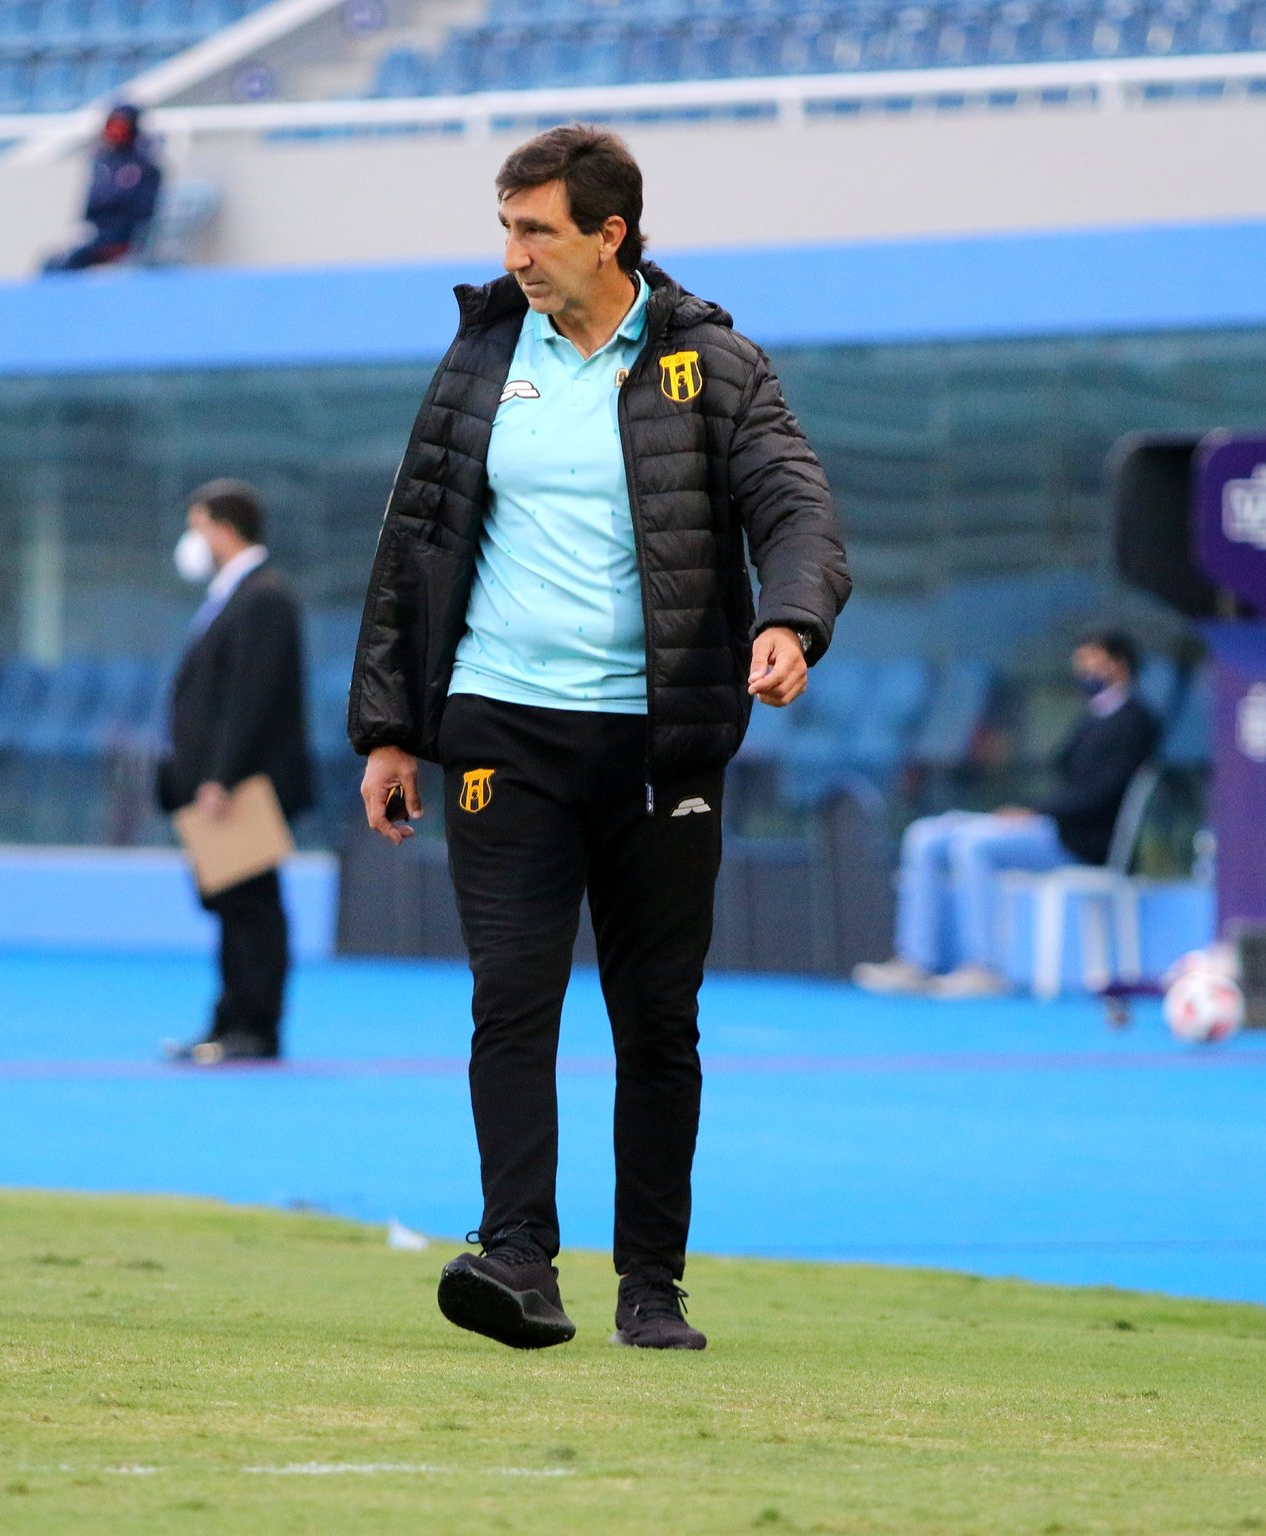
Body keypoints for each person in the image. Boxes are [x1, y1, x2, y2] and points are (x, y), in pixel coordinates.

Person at [349, 125, 851, 1351]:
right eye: (505, 228)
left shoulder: (711, 364)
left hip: (654, 741)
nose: (514, 253)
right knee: (510, 996)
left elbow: (794, 506)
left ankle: (651, 1283)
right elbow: (411, 548)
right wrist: (389, 730)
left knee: (654, 1017)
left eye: (538, 230)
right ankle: (516, 1255)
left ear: (608, 233)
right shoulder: (476, 361)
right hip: (498, 728)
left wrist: (790, 618)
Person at [854, 631, 1162, 999]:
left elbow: (1101, 794)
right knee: (926, 836)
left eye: (1093, 663)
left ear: (1119, 664)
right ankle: (915, 961)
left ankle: (984, 967)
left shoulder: (1137, 720)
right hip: (1048, 826)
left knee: (972, 845)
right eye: (1080, 664)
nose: (1084, 672)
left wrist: (1034, 813)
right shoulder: (1092, 716)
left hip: (1079, 840)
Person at [157, 480, 314, 1064]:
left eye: (197, 526)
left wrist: (221, 777)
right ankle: (229, 1021)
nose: (193, 541)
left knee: (253, 907)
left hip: (244, 787)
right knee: (230, 905)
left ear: (223, 528)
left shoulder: (263, 597)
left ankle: (258, 1027)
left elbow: (253, 698)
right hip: (223, 785)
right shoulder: (233, 595)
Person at [42, 104, 164, 274]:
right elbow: (91, 205)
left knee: (71, 261)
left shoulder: (145, 167)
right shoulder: (103, 162)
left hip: (123, 237)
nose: (115, 131)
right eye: (112, 125)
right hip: (96, 232)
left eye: (121, 125)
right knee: (52, 261)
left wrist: (111, 203)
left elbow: (141, 211)